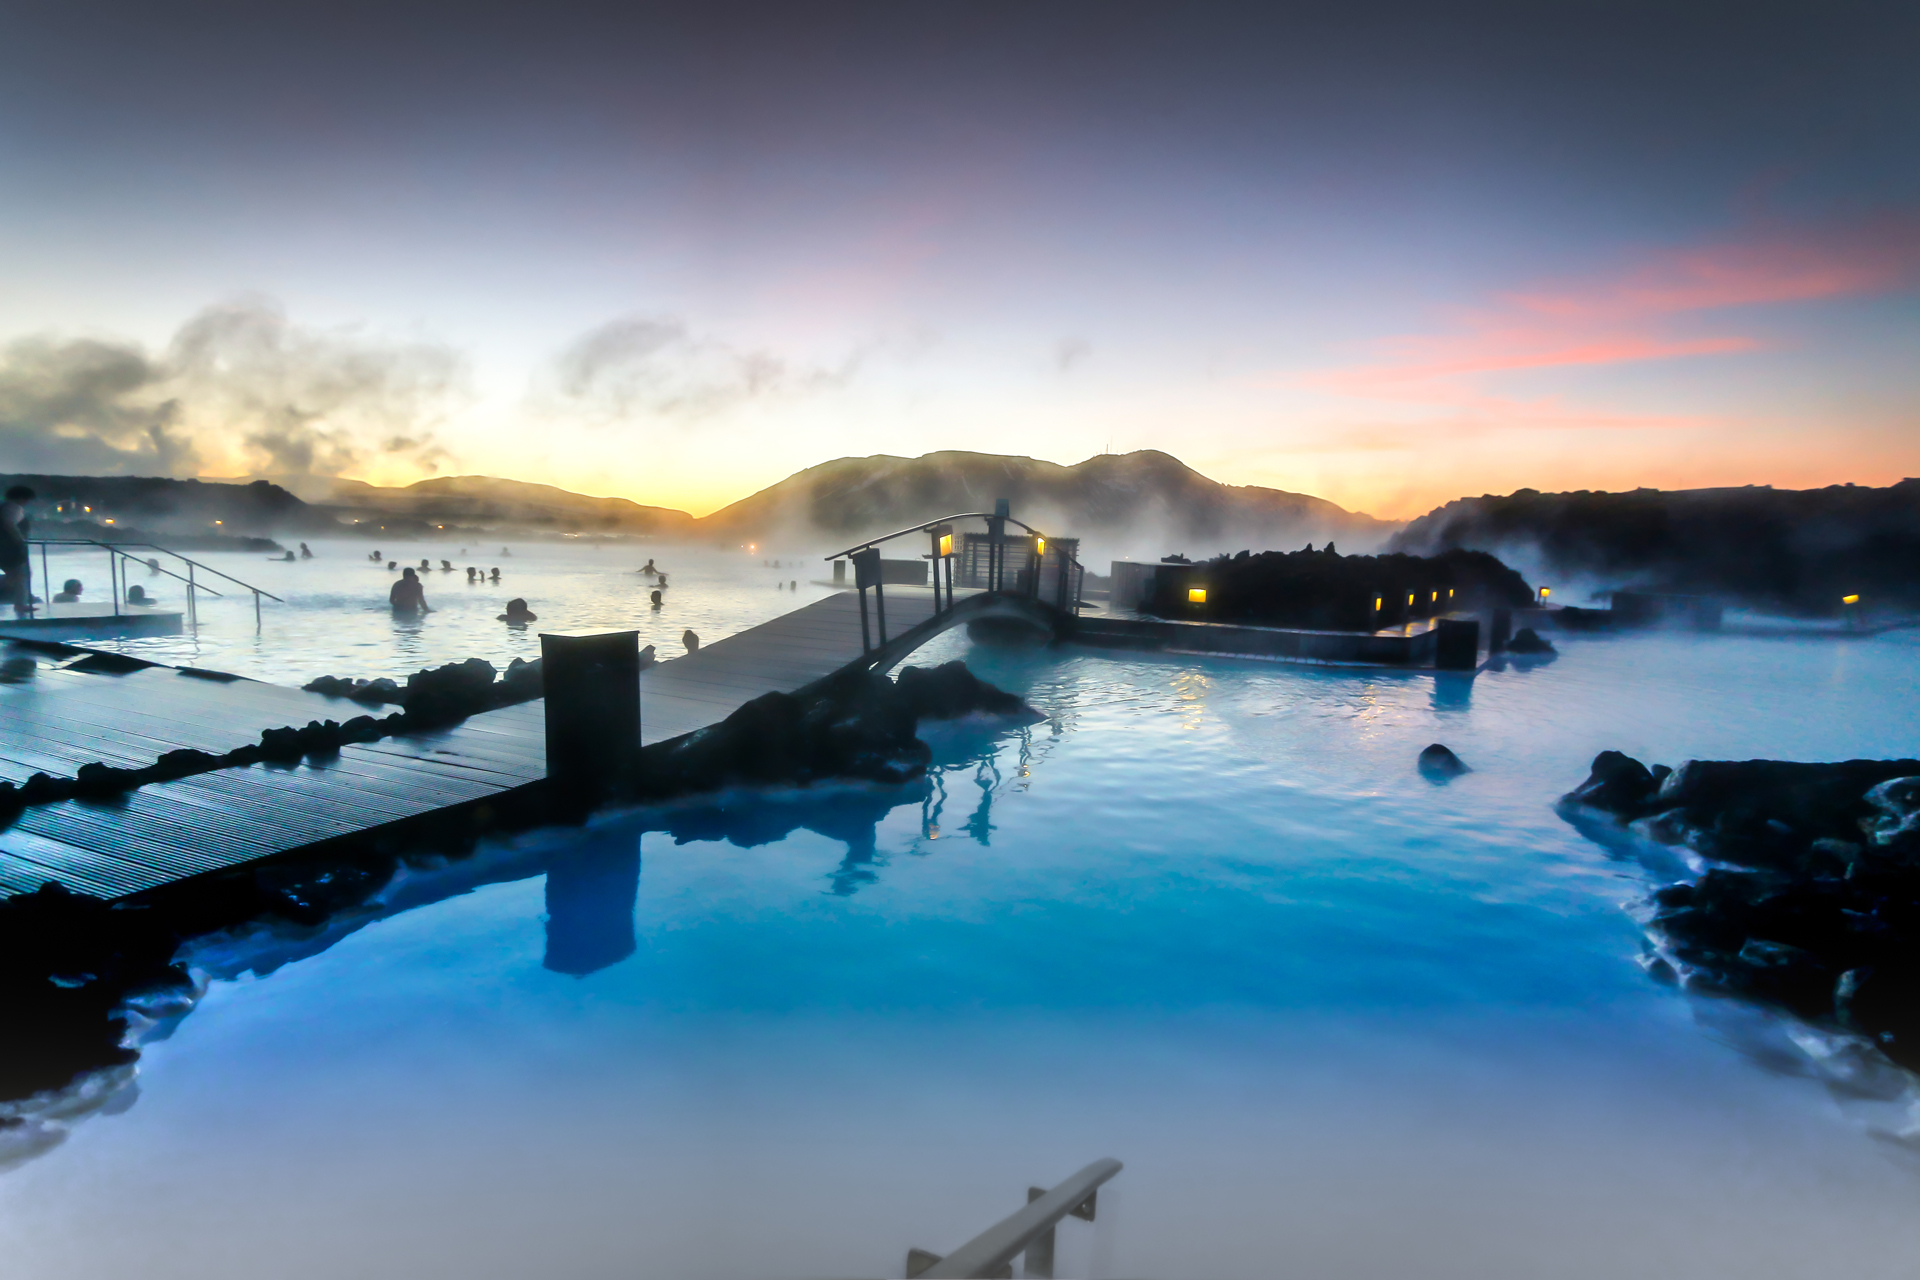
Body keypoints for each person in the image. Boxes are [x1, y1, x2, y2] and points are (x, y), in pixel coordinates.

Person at [1, 484, 34, 617]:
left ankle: (20, 604)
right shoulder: (13, 508)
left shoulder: (4, 507)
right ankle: (20, 605)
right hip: (10, 549)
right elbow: (9, 524)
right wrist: (20, 539)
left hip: (6, 548)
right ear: (21, 498)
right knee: (22, 574)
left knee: (16, 575)